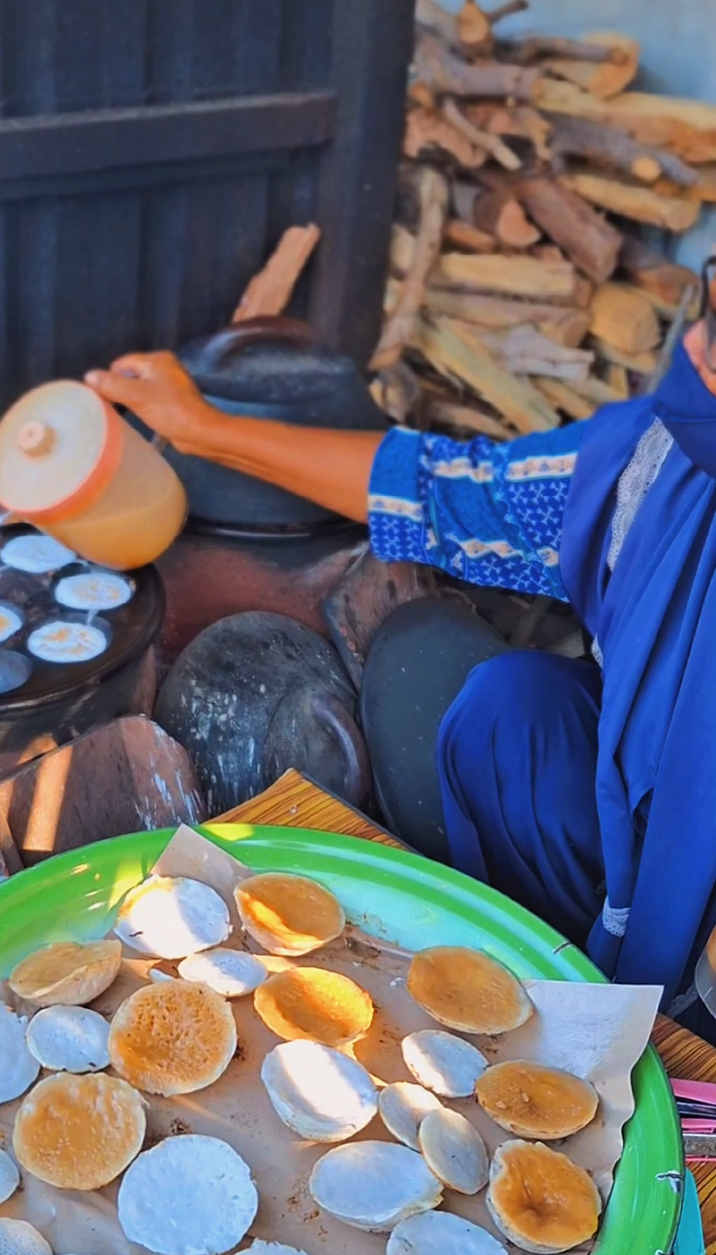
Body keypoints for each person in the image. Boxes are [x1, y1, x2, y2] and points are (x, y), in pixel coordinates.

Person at [85, 311, 716, 1020]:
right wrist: (203, 427)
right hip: (643, 821)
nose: (693, 344)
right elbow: (453, 494)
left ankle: (675, 1032)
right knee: (512, 711)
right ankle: (559, 978)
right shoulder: (662, 464)